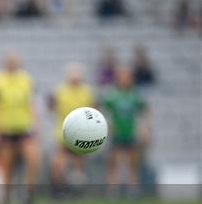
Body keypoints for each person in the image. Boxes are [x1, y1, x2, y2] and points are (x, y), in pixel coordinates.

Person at [0, 52, 40, 204]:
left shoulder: (26, 79)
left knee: (33, 160)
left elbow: (32, 103)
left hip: (24, 128)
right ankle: (7, 197)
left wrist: (35, 122)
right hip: (6, 129)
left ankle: (29, 195)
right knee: (7, 166)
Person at [101, 67, 149, 197]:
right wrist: (107, 127)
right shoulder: (113, 95)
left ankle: (132, 190)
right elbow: (103, 111)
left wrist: (144, 129)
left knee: (132, 164)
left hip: (130, 134)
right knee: (113, 163)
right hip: (117, 134)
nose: (124, 80)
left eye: (126, 77)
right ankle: (112, 191)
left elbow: (144, 112)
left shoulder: (134, 95)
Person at [49, 63, 94, 197]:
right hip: (63, 135)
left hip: (82, 135)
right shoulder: (60, 91)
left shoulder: (87, 92)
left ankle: (76, 192)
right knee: (58, 165)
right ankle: (59, 191)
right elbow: (52, 107)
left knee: (78, 167)